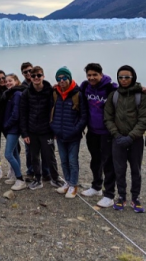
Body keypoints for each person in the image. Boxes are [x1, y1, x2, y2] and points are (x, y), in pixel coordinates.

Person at [104, 65, 146, 212]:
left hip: (135, 140)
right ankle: (122, 196)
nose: (123, 80)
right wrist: (116, 134)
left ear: (133, 77)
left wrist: (130, 137)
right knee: (119, 169)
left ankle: (135, 198)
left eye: (127, 77)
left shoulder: (141, 96)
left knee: (136, 170)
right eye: (121, 77)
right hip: (117, 139)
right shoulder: (114, 95)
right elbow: (108, 117)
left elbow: (144, 119)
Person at [79, 63, 118, 208]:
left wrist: (141, 89)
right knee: (95, 160)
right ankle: (96, 187)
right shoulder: (85, 87)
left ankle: (109, 195)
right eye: (89, 75)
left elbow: (127, 94)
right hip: (92, 131)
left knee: (108, 163)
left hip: (107, 132)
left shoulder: (111, 88)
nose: (91, 77)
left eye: (95, 75)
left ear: (101, 74)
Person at [20, 66, 63, 190]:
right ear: (31, 78)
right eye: (33, 76)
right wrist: (24, 133)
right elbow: (23, 113)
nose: (36, 78)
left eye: (39, 75)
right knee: (34, 156)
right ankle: (38, 179)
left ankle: (55, 178)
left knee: (50, 156)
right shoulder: (26, 93)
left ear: (43, 76)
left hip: (47, 130)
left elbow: (56, 110)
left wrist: (55, 129)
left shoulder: (50, 91)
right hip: (32, 130)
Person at [50, 67, 87, 198]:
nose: (62, 81)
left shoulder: (78, 94)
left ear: (69, 78)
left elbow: (83, 116)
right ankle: (67, 182)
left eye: (64, 78)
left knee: (72, 161)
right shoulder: (56, 93)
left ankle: (74, 185)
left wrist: (76, 129)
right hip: (60, 134)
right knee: (64, 160)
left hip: (73, 135)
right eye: (59, 79)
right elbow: (51, 111)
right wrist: (53, 127)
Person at [2, 74, 27, 191]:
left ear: (16, 81)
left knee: (8, 154)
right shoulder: (11, 93)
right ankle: (15, 176)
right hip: (10, 128)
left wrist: (6, 126)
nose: (8, 83)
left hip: (13, 128)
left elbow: (15, 114)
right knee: (15, 152)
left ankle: (20, 179)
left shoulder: (17, 94)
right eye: (6, 81)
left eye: (10, 81)